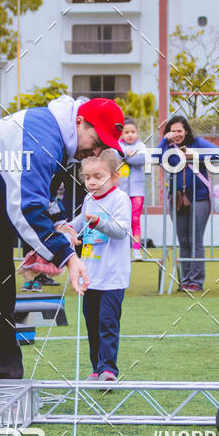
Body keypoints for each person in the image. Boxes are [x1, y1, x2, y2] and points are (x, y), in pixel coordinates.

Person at [0, 94, 125, 413]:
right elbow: (25, 207)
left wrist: (61, 223)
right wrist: (68, 256)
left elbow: (45, 194)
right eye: (96, 139)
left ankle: (3, 382)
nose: (96, 150)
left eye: (103, 145)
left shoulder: (63, 141)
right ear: (79, 123)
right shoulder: (42, 137)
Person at [70, 150, 131, 381]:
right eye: (87, 177)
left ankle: (108, 370)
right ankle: (96, 369)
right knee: (92, 325)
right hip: (90, 276)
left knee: (107, 325)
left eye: (98, 176)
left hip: (112, 276)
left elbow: (120, 230)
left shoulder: (119, 199)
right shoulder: (89, 199)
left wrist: (98, 223)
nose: (92, 182)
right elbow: (77, 223)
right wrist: (67, 230)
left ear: (114, 176)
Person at [159, 115, 219, 291]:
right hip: (176, 199)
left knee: (195, 240)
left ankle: (196, 281)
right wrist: (164, 141)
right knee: (183, 240)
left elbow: (218, 154)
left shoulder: (198, 143)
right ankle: (185, 280)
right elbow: (157, 158)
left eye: (179, 130)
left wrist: (197, 156)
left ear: (186, 131)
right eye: (173, 130)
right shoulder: (168, 146)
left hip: (200, 198)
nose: (176, 134)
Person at [118, 117, 147, 260]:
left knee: (135, 219)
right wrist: (125, 156)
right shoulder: (118, 145)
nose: (130, 135)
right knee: (120, 221)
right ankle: (122, 250)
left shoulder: (141, 146)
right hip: (120, 191)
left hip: (137, 191)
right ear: (122, 134)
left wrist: (125, 158)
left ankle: (136, 250)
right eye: (126, 132)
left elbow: (140, 160)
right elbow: (115, 156)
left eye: (132, 132)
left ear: (137, 133)